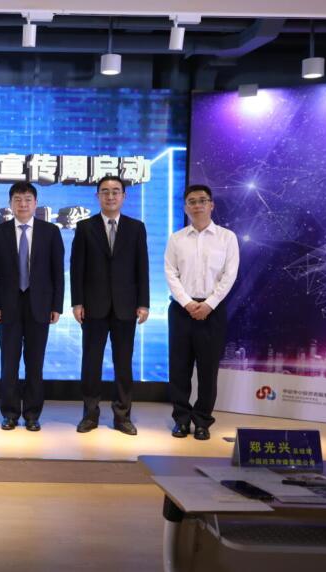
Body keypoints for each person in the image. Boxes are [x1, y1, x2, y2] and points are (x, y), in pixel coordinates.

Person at [70, 175, 149, 435]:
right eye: (105, 191)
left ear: (124, 196)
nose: (111, 196)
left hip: (126, 307)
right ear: (97, 196)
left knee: (123, 364)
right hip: (93, 306)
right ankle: (90, 414)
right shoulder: (85, 227)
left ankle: (122, 416)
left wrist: (144, 303)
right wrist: (77, 302)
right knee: (91, 363)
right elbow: (77, 268)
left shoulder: (136, 228)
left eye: (116, 191)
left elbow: (142, 268)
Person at [0, 182, 65, 431]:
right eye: (17, 200)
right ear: (10, 204)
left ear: (36, 203)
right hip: (7, 306)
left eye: (28, 199)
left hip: (39, 305)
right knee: (9, 363)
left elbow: (58, 272)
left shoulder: (50, 232)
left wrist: (57, 306)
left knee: (35, 362)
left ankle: (32, 414)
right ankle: (10, 413)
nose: (23, 204)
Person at [165, 184, 239, 441]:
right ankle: (181, 419)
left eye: (202, 200)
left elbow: (230, 275)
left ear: (211, 205)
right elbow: (170, 274)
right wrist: (187, 303)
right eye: (192, 201)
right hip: (181, 310)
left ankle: (202, 421)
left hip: (212, 311)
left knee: (208, 370)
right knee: (179, 369)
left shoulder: (227, 238)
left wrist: (209, 304)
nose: (197, 205)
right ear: (186, 207)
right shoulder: (176, 239)